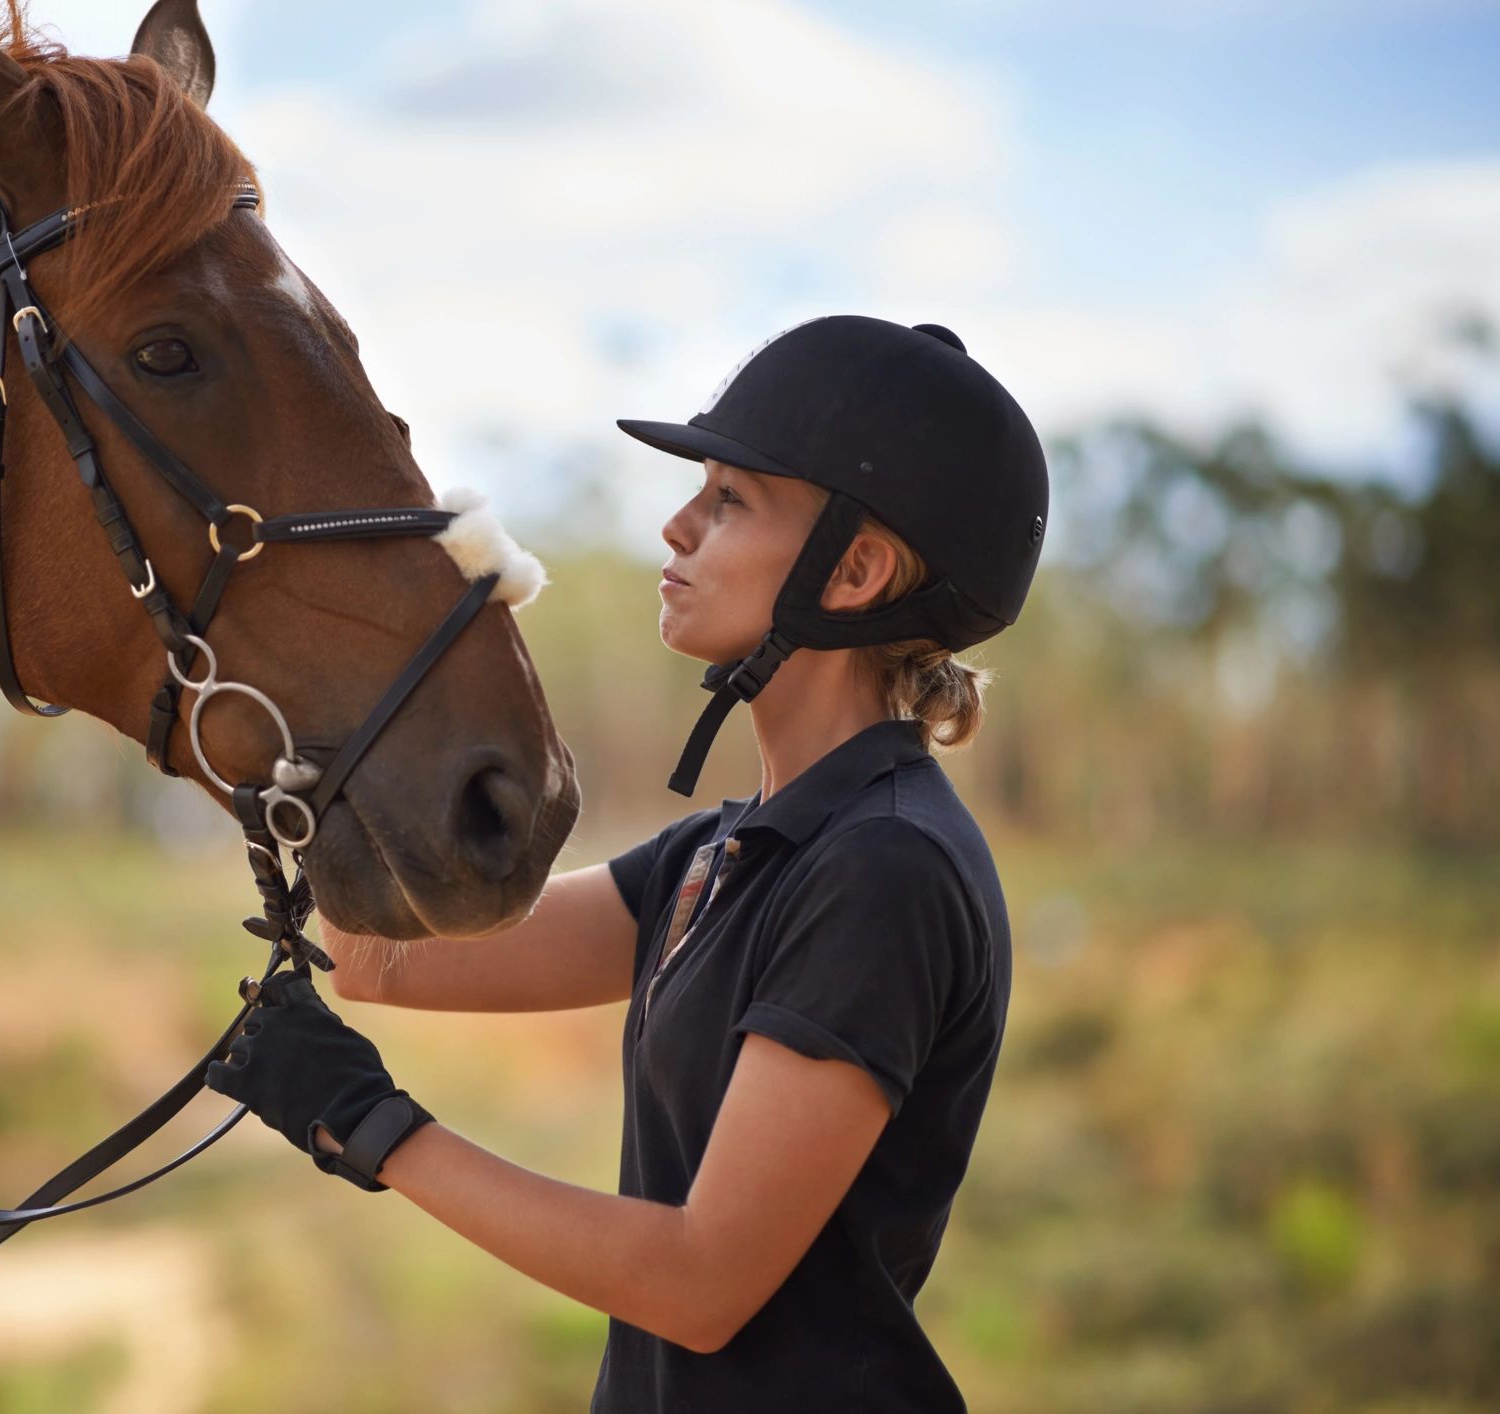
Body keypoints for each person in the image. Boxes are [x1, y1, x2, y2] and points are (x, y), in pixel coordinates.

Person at [204, 315, 1050, 1411]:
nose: (676, 523)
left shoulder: (884, 867)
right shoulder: (726, 852)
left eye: (730, 500)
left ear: (855, 570)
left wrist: (377, 1129)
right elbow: (379, 962)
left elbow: (703, 1282)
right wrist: (320, 672)